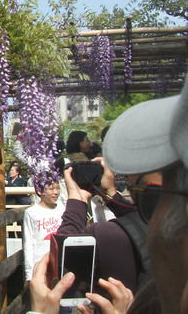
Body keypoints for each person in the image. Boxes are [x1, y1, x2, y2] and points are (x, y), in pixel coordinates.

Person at [30, 78, 188, 314]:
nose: (149, 215)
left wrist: (76, 200)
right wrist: (111, 192)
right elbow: (139, 218)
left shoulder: (106, 234)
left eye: (148, 195)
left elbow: (61, 266)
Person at [23, 180, 65, 281]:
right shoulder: (31, 212)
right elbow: (28, 243)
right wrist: (29, 274)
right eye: (51, 189)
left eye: (57, 188)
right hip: (40, 263)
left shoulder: (63, 209)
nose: (56, 192)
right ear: (40, 191)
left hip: (61, 263)